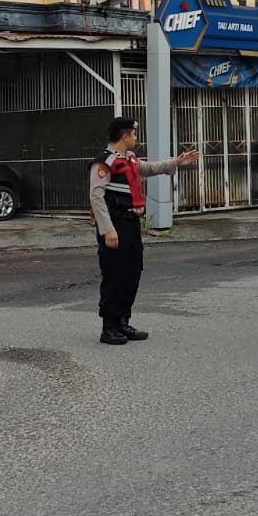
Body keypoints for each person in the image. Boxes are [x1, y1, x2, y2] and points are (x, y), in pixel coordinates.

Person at [90, 117, 201, 345]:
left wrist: (176, 162)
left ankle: (122, 321)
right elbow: (96, 197)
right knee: (114, 275)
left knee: (132, 272)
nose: (136, 138)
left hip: (131, 224)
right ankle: (109, 327)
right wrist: (107, 230)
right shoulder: (104, 162)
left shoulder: (129, 158)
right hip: (114, 224)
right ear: (125, 136)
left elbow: (149, 168)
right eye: (134, 134)